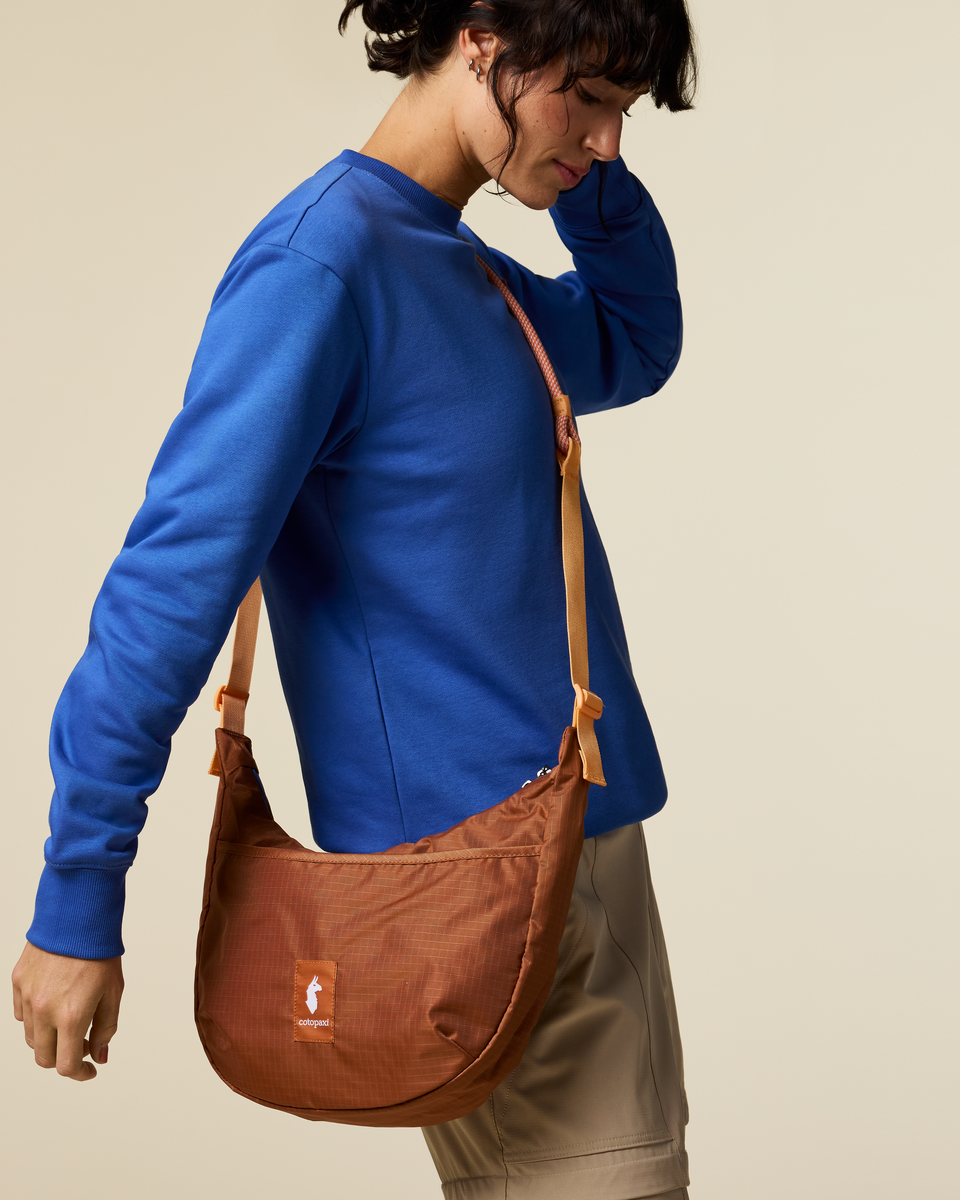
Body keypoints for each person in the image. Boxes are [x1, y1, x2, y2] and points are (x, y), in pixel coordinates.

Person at [11, 1, 697, 1196]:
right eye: (586, 98)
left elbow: (634, 341)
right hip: (479, 881)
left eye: (625, 111)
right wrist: (78, 892)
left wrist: (586, 179)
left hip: (572, 848)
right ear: (481, 37)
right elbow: (169, 587)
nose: (605, 140)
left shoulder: (456, 263)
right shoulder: (320, 267)